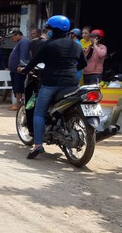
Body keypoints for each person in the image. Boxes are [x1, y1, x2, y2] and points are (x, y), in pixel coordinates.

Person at [20, 15, 87, 159]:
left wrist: (24, 70)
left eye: (49, 28)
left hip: (51, 84)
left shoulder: (48, 45)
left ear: (54, 30)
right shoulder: (76, 45)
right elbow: (83, 64)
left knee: (39, 113)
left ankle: (38, 145)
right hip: (71, 84)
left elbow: (33, 62)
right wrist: (71, 69)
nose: (48, 31)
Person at [7, 29, 30, 110]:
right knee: (16, 87)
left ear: (17, 35)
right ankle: (17, 103)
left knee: (18, 87)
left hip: (19, 70)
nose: (11, 39)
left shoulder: (24, 42)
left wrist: (21, 65)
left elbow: (23, 55)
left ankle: (18, 104)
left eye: (12, 37)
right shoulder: (19, 42)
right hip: (14, 70)